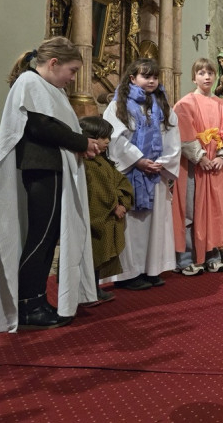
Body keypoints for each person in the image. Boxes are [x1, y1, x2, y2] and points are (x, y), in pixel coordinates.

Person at [0, 37, 101, 333]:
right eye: (72, 71)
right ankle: (28, 305)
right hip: (43, 168)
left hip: (51, 168)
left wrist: (81, 143)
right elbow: (42, 127)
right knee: (41, 237)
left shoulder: (48, 87)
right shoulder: (30, 82)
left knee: (47, 237)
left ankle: (36, 300)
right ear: (54, 63)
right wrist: (83, 142)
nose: (72, 78)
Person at [103, 58, 180, 290]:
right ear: (132, 78)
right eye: (146, 76)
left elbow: (173, 138)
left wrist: (161, 163)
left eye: (155, 77)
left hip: (155, 174)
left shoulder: (163, 106)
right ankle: (129, 274)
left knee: (155, 225)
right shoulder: (118, 106)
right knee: (132, 228)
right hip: (131, 174)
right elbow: (114, 138)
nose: (152, 81)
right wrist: (137, 160)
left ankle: (151, 268)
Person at [172, 58, 223, 275]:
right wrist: (200, 157)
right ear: (194, 78)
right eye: (201, 73)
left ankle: (213, 255)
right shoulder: (184, 104)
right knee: (190, 211)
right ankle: (186, 259)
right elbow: (183, 133)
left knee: (215, 211)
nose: (207, 77)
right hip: (193, 166)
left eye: (210, 73)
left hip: (216, 166)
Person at [79, 115, 133, 305]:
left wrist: (122, 202)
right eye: (103, 137)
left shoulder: (102, 161)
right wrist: (113, 205)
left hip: (108, 214)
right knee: (89, 255)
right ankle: (86, 292)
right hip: (94, 217)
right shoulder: (85, 164)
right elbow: (96, 192)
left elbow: (120, 182)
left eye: (108, 137)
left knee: (98, 256)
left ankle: (93, 288)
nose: (107, 141)